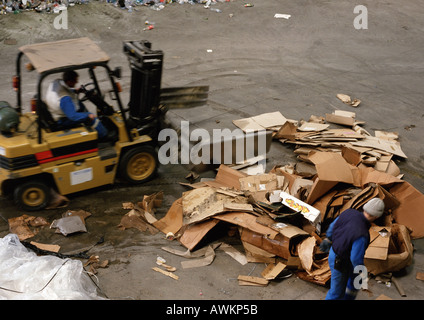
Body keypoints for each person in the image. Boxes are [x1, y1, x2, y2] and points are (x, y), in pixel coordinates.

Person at [320, 197, 385, 300]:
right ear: (377, 216)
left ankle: (348, 297)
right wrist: (361, 271)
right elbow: (355, 259)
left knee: (354, 281)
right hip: (341, 263)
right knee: (336, 293)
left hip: (334, 253)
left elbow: (333, 226)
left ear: (365, 208)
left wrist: (328, 239)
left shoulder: (349, 213)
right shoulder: (362, 234)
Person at [45, 70, 107, 139]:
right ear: (69, 81)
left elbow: (65, 89)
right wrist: (88, 116)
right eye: (75, 81)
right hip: (61, 119)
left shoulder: (57, 82)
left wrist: (75, 91)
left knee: (79, 104)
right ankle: (103, 135)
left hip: (54, 110)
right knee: (92, 117)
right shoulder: (65, 99)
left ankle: (87, 124)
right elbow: (73, 116)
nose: (77, 82)